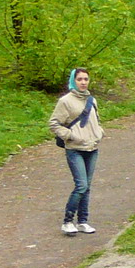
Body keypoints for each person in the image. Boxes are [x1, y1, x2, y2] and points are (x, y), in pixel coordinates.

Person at [48, 67, 104, 237]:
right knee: (81, 185)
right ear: (74, 81)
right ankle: (67, 222)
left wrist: (99, 132)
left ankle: (83, 222)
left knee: (87, 187)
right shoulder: (65, 101)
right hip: (75, 149)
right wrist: (70, 135)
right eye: (79, 79)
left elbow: (97, 119)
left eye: (86, 79)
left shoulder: (92, 100)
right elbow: (54, 123)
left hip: (92, 148)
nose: (83, 82)